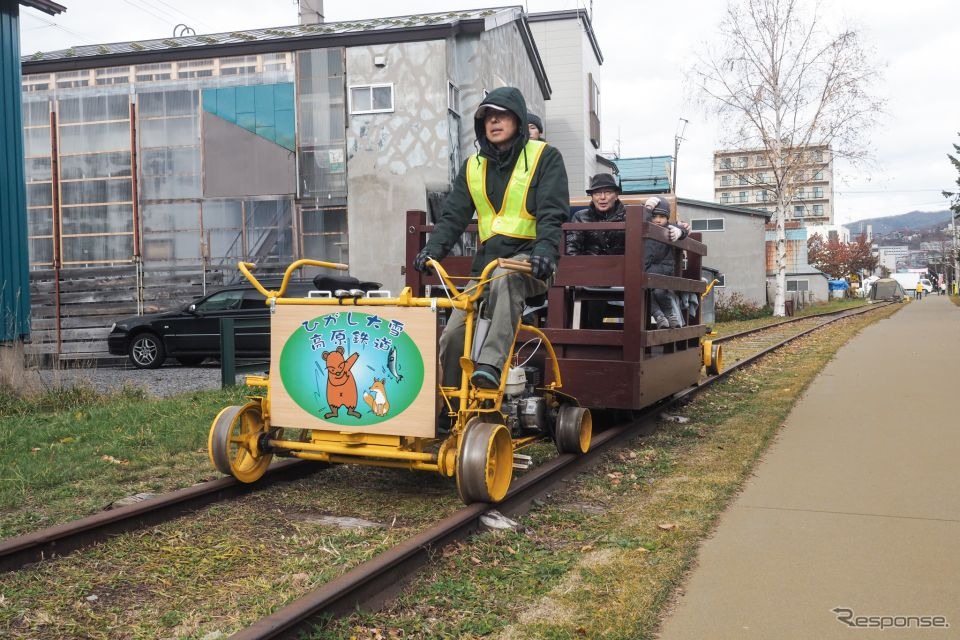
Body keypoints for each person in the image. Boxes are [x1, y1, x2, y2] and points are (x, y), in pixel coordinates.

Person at [413, 87, 569, 390]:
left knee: (504, 276)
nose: (494, 122)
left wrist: (546, 251)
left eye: (502, 115)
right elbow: (453, 216)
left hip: (529, 263)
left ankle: (490, 366)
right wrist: (432, 251)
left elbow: (552, 211)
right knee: (455, 332)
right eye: (488, 117)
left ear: (519, 120)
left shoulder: (544, 157)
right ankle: (451, 406)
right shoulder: (473, 166)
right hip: (485, 267)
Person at [565, 173, 627, 328]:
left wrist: (680, 227)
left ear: (616, 194)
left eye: (608, 192)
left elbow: (659, 223)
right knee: (566, 286)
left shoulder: (630, 216)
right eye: (597, 193)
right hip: (589, 271)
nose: (602, 197)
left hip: (621, 272)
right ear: (592, 196)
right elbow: (572, 249)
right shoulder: (580, 216)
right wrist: (579, 272)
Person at [644, 196, 689, 328]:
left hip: (663, 272)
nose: (658, 220)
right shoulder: (644, 227)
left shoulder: (669, 229)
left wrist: (680, 232)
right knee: (647, 293)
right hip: (647, 271)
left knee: (659, 292)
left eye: (662, 217)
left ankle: (669, 316)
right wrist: (647, 209)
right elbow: (637, 220)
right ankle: (660, 317)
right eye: (654, 216)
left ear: (667, 218)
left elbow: (683, 228)